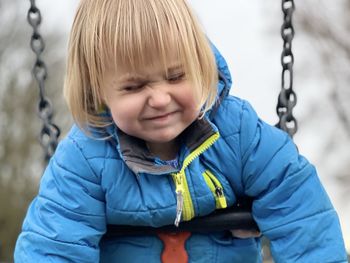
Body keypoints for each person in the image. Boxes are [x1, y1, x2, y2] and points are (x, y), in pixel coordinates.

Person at [15, 0, 347, 262]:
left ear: (199, 65)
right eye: (134, 86)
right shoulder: (85, 157)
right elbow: (55, 245)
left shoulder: (237, 132)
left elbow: (299, 205)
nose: (160, 99)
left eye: (175, 77)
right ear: (99, 90)